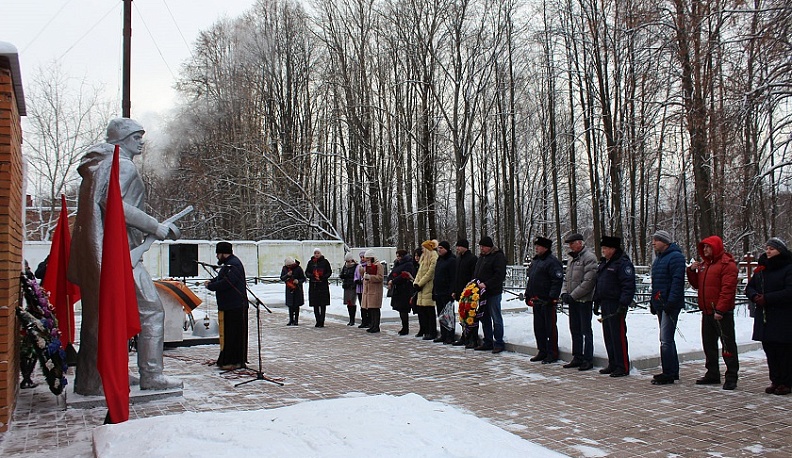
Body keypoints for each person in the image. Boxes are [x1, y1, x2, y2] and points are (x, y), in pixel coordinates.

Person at [68, 118, 182, 395]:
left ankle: (93, 379)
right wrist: (155, 226)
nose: (141, 141)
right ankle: (152, 375)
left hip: (104, 253)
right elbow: (114, 204)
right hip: (120, 255)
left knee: (99, 316)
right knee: (151, 311)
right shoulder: (122, 164)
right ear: (121, 140)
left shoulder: (101, 165)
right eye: (136, 137)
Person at [686, 235, 739, 390]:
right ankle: (712, 373)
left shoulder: (726, 265)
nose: (705, 250)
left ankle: (731, 376)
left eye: (708, 247)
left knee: (727, 344)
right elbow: (697, 285)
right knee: (709, 344)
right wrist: (691, 271)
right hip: (707, 311)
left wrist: (721, 309)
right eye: (704, 247)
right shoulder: (704, 265)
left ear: (715, 247)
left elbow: (727, 289)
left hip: (721, 312)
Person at [745, 238, 792, 396]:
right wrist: (754, 296)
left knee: (783, 351)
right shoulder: (762, 268)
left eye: (772, 248)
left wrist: (768, 298)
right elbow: (750, 287)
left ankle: (786, 382)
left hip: (783, 316)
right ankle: (775, 380)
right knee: (770, 349)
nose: (768, 251)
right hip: (765, 316)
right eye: (767, 248)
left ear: (780, 250)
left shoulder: (788, 267)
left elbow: (789, 291)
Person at [593, 235, 635, 377]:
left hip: (616, 303)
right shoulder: (605, 263)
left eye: (605, 248)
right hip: (605, 303)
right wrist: (596, 301)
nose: (603, 251)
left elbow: (628, 286)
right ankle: (613, 363)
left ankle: (622, 365)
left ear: (613, 248)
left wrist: (623, 304)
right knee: (608, 335)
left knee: (618, 336)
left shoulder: (622, 263)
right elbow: (600, 283)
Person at [649, 230, 687, 385]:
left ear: (665, 242)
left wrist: (671, 302)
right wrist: (653, 301)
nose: (654, 243)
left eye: (657, 240)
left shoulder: (676, 257)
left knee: (665, 339)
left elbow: (677, 282)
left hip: (670, 304)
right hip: (661, 303)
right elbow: (656, 282)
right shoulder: (659, 259)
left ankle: (669, 373)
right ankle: (671, 370)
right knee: (666, 339)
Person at [205, 242, 248, 370]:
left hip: (235, 306)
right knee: (228, 334)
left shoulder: (234, 264)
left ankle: (233, 361)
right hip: (229, 305)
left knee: (234, 335)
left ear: (223, 253)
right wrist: (211, 282)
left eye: (218, 254)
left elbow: (228, 282)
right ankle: (227, 359)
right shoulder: (228, 265)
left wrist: (211, 286)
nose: (217, 257)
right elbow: (221, 278)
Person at [560, 233, 598, 371]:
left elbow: (589, 281)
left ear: (580, 243)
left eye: (572, 243)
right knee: (574, 329)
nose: (570, 246)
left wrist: (573, 295)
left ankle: (588, 358)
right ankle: (577, 356)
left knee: (585, 330)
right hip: (573, 300)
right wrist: (564, 293)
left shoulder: (589, 258)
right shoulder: (572, 259)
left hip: (584, 300)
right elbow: (567, 279)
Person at [524, 236, 563, 364]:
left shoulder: (552, 262)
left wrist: (552, 297)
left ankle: (552, 352)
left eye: (538, 246)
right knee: (538, 327)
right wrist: (528, 294)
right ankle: (542, 350)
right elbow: (531, 279)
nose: (536, 248)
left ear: (545, 248)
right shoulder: (536, 262)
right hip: (537, 300)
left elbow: (556, 281)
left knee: (549, 327)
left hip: (547, 300)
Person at [473, 236, 507, 354]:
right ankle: (488, 340)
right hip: (482, 293)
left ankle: (498, 342)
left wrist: (487, 284)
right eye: (480, 246)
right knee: (484, 317)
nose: (481, 249)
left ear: (489, 247)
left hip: (493, 292)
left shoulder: (498, 257)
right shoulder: (481, 258)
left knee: (496, 317)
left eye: (483, 246)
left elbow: (499, 275)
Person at [452, 239, 478, 347]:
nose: (457, 248)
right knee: (462, 315)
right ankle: (464, 335)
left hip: (470, 293)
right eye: (457, 246)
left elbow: (474, 276)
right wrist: (454, 290)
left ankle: (473, 338)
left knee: (471, 315)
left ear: (465, 247)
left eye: (459, 246)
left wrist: (471, 289)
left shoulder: (472, 259)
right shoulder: (458, 259)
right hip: (460, 293)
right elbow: (456, 276)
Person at [432, 241, 458, 344]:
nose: (439, 250)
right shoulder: (439, 260)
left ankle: (450, 335)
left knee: (449, 315)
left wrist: (452, 291)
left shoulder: (451, 260)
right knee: (441, 315)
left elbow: (453, 277)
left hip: (447, 292)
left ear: (446, 249)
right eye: (438, 248)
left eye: (441, 248)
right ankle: (443, 334)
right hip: (439, 291)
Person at [414, 239, 439, 340]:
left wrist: (420, 283)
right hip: (422, 288)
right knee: (422, 310)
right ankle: (425, 330)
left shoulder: (433, 257)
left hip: (429, 287)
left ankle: (432, 331)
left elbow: (430, 273)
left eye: (424, 248)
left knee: (430, 311)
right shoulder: (423, 258)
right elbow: (419, 273)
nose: (422, 250)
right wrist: (415, 283)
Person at [388, 249, 416, 335]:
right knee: (400, 309)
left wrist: (394, 281)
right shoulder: (397, 264)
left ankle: (405, 327)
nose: (398, 258)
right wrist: (390, 280)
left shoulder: (408, 264)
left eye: (399, 256)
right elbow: (392, 273)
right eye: (397, 256)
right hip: (398, 289)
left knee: (403, 309)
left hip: (405, 289)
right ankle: (403, 327)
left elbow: (404, 275)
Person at [305, 248, 332, 327]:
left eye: (318, 253)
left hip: (322, 285)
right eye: (315, 253)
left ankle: (322, 320)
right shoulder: (310, 262)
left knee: (323, 304)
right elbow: (307, 272)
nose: (316, 254)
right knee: (315, 304)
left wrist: (323, 277)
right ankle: (317, 320)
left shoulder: (325, 262)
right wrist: (312, 276)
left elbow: (329, 272)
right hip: (314, 285)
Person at [362, 250, 385, 333]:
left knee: (375, 309)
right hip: (369, 290)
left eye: (368, 258)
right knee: (371, 309)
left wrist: (370, 277)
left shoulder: (378, 265)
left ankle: (376, 326)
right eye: (366, 258)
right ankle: (372, 325)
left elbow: (380, 277)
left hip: (375, 291)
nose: (367, 260)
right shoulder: (368, 265)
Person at [280, 257, 306, 326]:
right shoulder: (284, 269)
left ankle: (296, 320)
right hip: (289, 289)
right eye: (287, 265)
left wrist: (298, 281)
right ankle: (291, 320)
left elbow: (303, 278)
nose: (289, 266)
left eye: (290, 265)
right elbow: (282, 278)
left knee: (296, 305)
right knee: (290, 305)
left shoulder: (298, 268)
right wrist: (287, 275)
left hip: (297, 289)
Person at [338, 253, 358, 326]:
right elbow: (342, 274)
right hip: (346, 286)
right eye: (346, 261)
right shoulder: (345, 267)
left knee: (352, 302)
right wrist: (343, 276)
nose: (348, 263)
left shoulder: (356, 266)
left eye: (349, 261)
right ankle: (350, 318)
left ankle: (352, 319)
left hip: (352, 286)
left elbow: (356, 276)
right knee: (348, 303)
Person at [355, 250, 369, 328]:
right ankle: (364, 321)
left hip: (366, 288)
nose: (362, 258)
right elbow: (355, 275)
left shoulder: (368, 266)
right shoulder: (358, 266)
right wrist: (356, 280)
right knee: (362, 305)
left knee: (367, 305)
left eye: (364, 257)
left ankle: (369, 320)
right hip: (359, 289)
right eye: (361, 257)